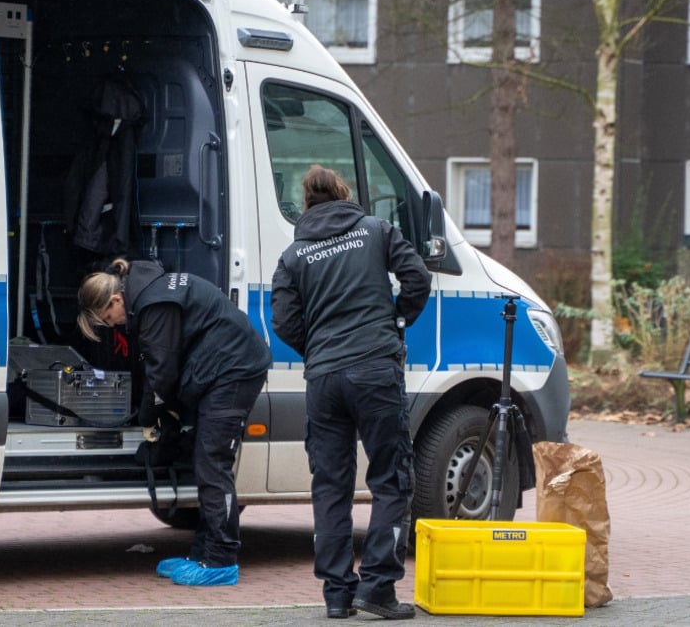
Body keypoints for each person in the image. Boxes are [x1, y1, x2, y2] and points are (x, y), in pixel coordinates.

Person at [270, 165, 431, 620]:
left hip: (324, 380)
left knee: (330, 485)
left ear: (307, 203)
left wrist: (317, 348)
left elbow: (283, 321)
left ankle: (338, 594)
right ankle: (377, 587)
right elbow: (418, 278)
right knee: (391, 478)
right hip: (375, 369)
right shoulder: (376, 231)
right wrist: (395, 320)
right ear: (344, 194)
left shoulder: (293, 256)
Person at [78, 258, 272, 586]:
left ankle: (221, 560)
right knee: (204, 460)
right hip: (224, 368)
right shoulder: (151, 291)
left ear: (116, 300)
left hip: (234, 372)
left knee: (213, 463)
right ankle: (202, 553)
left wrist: (148, 416)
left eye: (110, 319)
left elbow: (161, 373)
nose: (115, 326)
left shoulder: (154, 305)